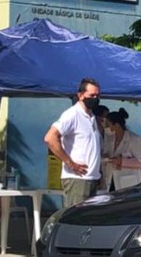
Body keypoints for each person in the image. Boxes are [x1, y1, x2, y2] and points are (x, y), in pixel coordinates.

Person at [44, 78, 102, 207]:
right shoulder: (72, 115)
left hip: (92, 178)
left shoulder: (91, 117)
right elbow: (50, 138)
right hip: (78, 179)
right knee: (77, 220)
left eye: (98, 95)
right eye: (92, 95)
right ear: (80, 95)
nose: (95, 98)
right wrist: (71, 163)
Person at [104, 108, 141, 190]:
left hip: (128, 181)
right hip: (111, 180)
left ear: (116, 125)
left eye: (108, 125)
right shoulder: (109, 139)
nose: (106, 128)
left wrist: (121, 161)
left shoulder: (134, 139)